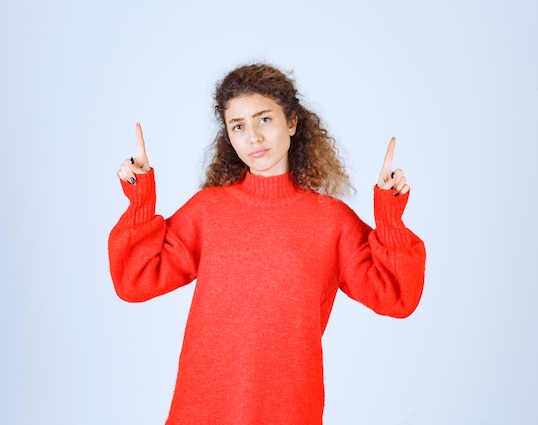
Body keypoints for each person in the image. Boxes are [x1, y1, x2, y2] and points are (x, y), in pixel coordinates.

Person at [108, 63, 426, 424]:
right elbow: (134, 281)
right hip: (203, 409)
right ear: (228, 136)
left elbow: (397, 295)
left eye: (264, 120)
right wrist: (140, 200)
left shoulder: (330, 222)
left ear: (291, 122)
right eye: (238, 126)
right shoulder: (209, 211)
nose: (253, 138)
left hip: (288, 409)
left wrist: (389, 216)